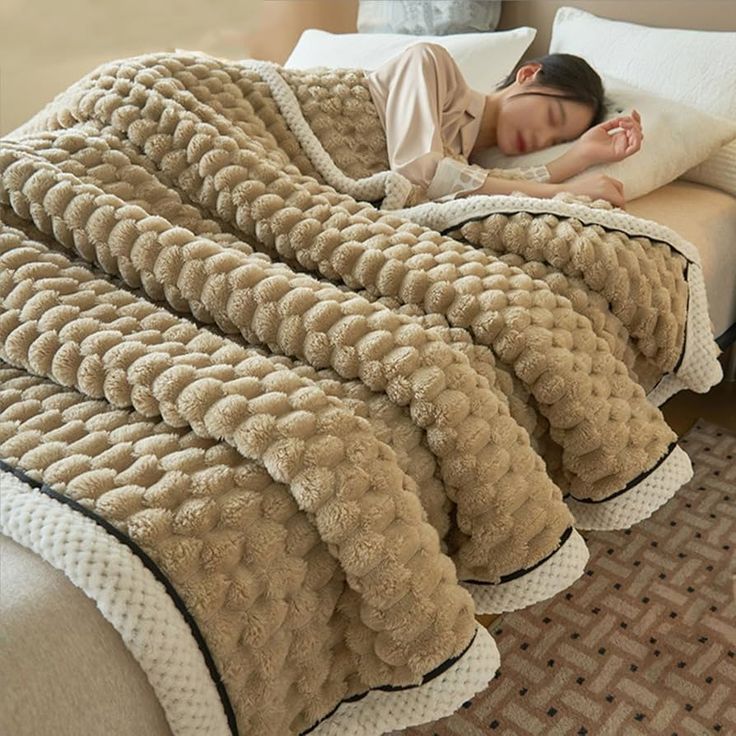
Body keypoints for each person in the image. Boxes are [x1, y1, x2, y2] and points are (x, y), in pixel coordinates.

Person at [366, 42, 643, 208]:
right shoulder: (433, 64)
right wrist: (565, 192)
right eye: (551, 117)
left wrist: (582, 155)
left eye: (556, 141)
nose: (542, 139)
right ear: (528, 74)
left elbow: (475, 181)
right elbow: (420, 174)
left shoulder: (467, 163)